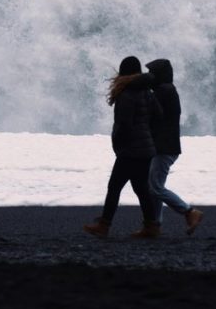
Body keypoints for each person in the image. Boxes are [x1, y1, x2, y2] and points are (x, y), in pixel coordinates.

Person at [83, 56, 161, 239]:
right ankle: (152, 226)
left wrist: (118, 143)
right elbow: (159, 114)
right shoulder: (146, 91)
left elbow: (124, 125)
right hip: (146, 148)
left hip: (130, 150)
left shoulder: (127, 93)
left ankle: (104, 226)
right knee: (141, 188)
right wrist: (147, 131)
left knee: (114, 187)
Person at [143, 58, 203, 236]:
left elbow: (150, 112)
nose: (149, 76)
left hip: (164, 147)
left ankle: (189, 212)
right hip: (164, 146)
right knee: (154, 186)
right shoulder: (166, 90)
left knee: (155, 187)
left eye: (152, 73)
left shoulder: (164, 91)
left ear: (159, 75)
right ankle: (154, 225)